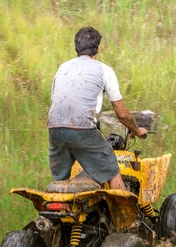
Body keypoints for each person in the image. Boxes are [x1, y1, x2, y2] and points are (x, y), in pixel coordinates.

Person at [47, 26, 148, 191]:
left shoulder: (63, 68)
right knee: (111, 169)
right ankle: (125, 216)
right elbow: (122, 114)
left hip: (54, 129)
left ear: (76, 48)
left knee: (61, 184)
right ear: (98, 48)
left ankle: (59, 211)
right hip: (82, 129)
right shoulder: (104, 70)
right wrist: (137, 131)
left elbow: (59, 103)